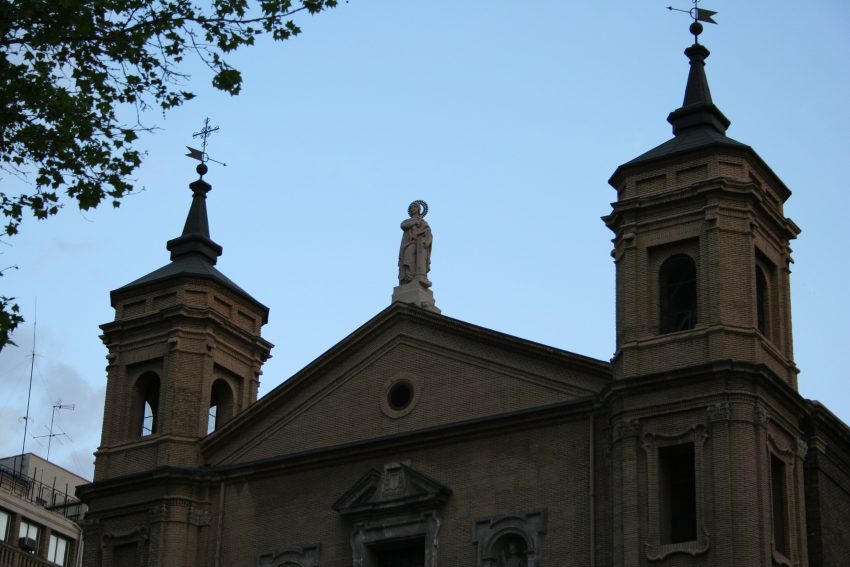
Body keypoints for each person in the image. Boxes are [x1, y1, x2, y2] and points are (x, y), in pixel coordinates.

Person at [398, 201, 432, 285]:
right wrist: (415, 222)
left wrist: (427, 241)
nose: (413, 209)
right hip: (407, 244)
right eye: (412, 207)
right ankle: (407, 278)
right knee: (406, 259)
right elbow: (403, 225)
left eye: (415, 207)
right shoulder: (408, 221)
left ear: (419, 210)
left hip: (417, 244)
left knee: (411, 260)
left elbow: (428, 233)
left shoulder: (423, 223)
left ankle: (413, 278)